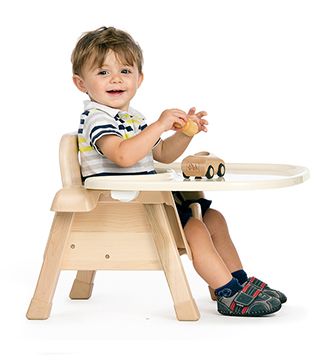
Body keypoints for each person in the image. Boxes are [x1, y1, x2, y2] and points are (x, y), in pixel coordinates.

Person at [71, 26, 286, 317]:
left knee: (213, 218)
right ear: (81, 83)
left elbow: (160, 154)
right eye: (102, 72)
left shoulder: (132, 118)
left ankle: (237, 280)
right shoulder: (97, 118)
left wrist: (185, 135)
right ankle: (228, 293)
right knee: (195, 228)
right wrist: (158, 125)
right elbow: (123, 156)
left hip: (150, 201)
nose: (116, 79)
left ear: (139, 78)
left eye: (125, 70)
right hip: (125, 208)